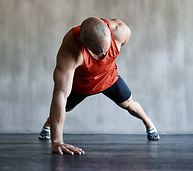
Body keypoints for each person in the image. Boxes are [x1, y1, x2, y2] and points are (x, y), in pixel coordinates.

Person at [39, 17, 160, 155]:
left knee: (129, 104)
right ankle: (47, 125)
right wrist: (57, 142)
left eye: (106, 49)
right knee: (65, 107)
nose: (103, 55)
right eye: (97, 52)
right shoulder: (71, 49)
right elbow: (60, 94)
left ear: (109, 33)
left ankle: (149, 124)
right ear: (84, 44)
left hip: (108, 78)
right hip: (82, 85)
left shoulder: (121, 31)